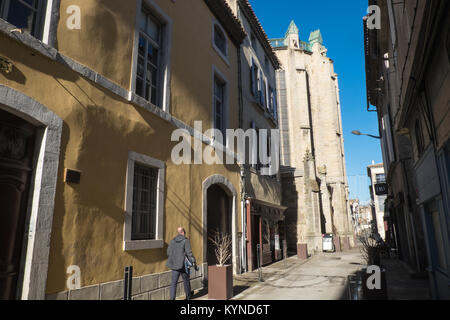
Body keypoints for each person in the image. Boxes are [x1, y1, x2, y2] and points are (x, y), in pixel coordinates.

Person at [167, 227, 197, 300]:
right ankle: (188, 296)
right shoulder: (185, 240)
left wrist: (174, 259)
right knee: (186, 281)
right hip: (183, 265)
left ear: (178, 232)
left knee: (173, 283)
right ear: (183, 232)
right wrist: (193, 261)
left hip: (174, 265)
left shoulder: (173, 241)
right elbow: (189, 253)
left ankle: (172, 298)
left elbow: (168, 252)